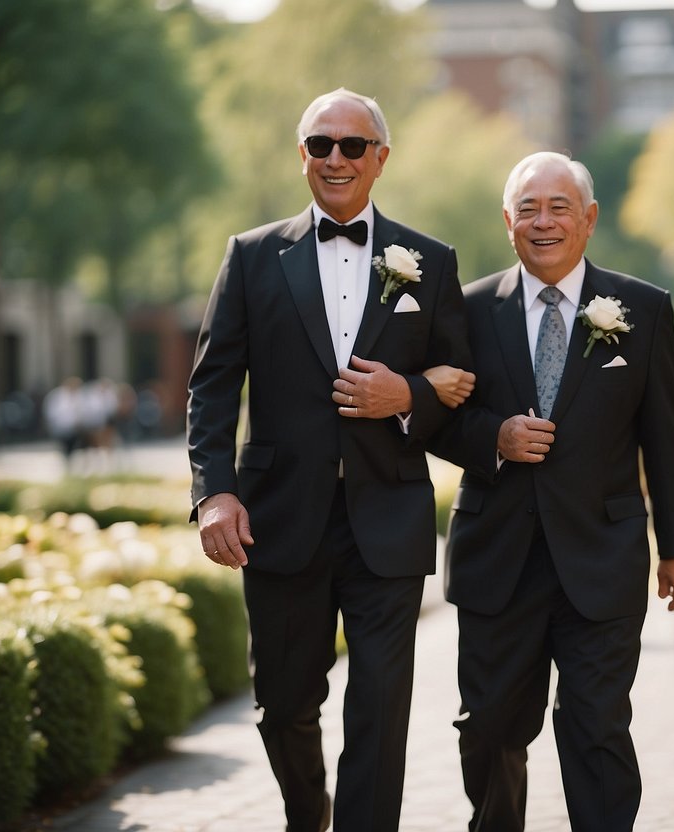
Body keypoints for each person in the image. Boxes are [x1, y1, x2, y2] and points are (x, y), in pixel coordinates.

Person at [185, 88, 472, 832]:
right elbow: (213, 386)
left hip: (389, 518)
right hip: (278, 521)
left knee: (380, 705)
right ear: (301, 155)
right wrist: (214, 494)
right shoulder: (250, 257)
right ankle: (306, 816)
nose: (335, 159)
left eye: (352, 146)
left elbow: (458, 386)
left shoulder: (431, 263)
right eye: (320, 144)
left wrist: (403, 394)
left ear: (381, 158)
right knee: (283, 705)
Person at [429, 151, 674, 831]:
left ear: (588, 219)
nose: (542, 221)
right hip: (497, 558)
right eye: (527, 208)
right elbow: (433, 419)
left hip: (602, 558)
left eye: (557, 207)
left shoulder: (642, 308)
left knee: (596, 726)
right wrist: (493, 436)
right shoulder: (462, 310)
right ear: (506, 221)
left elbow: (663, 438)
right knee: (487, 729)